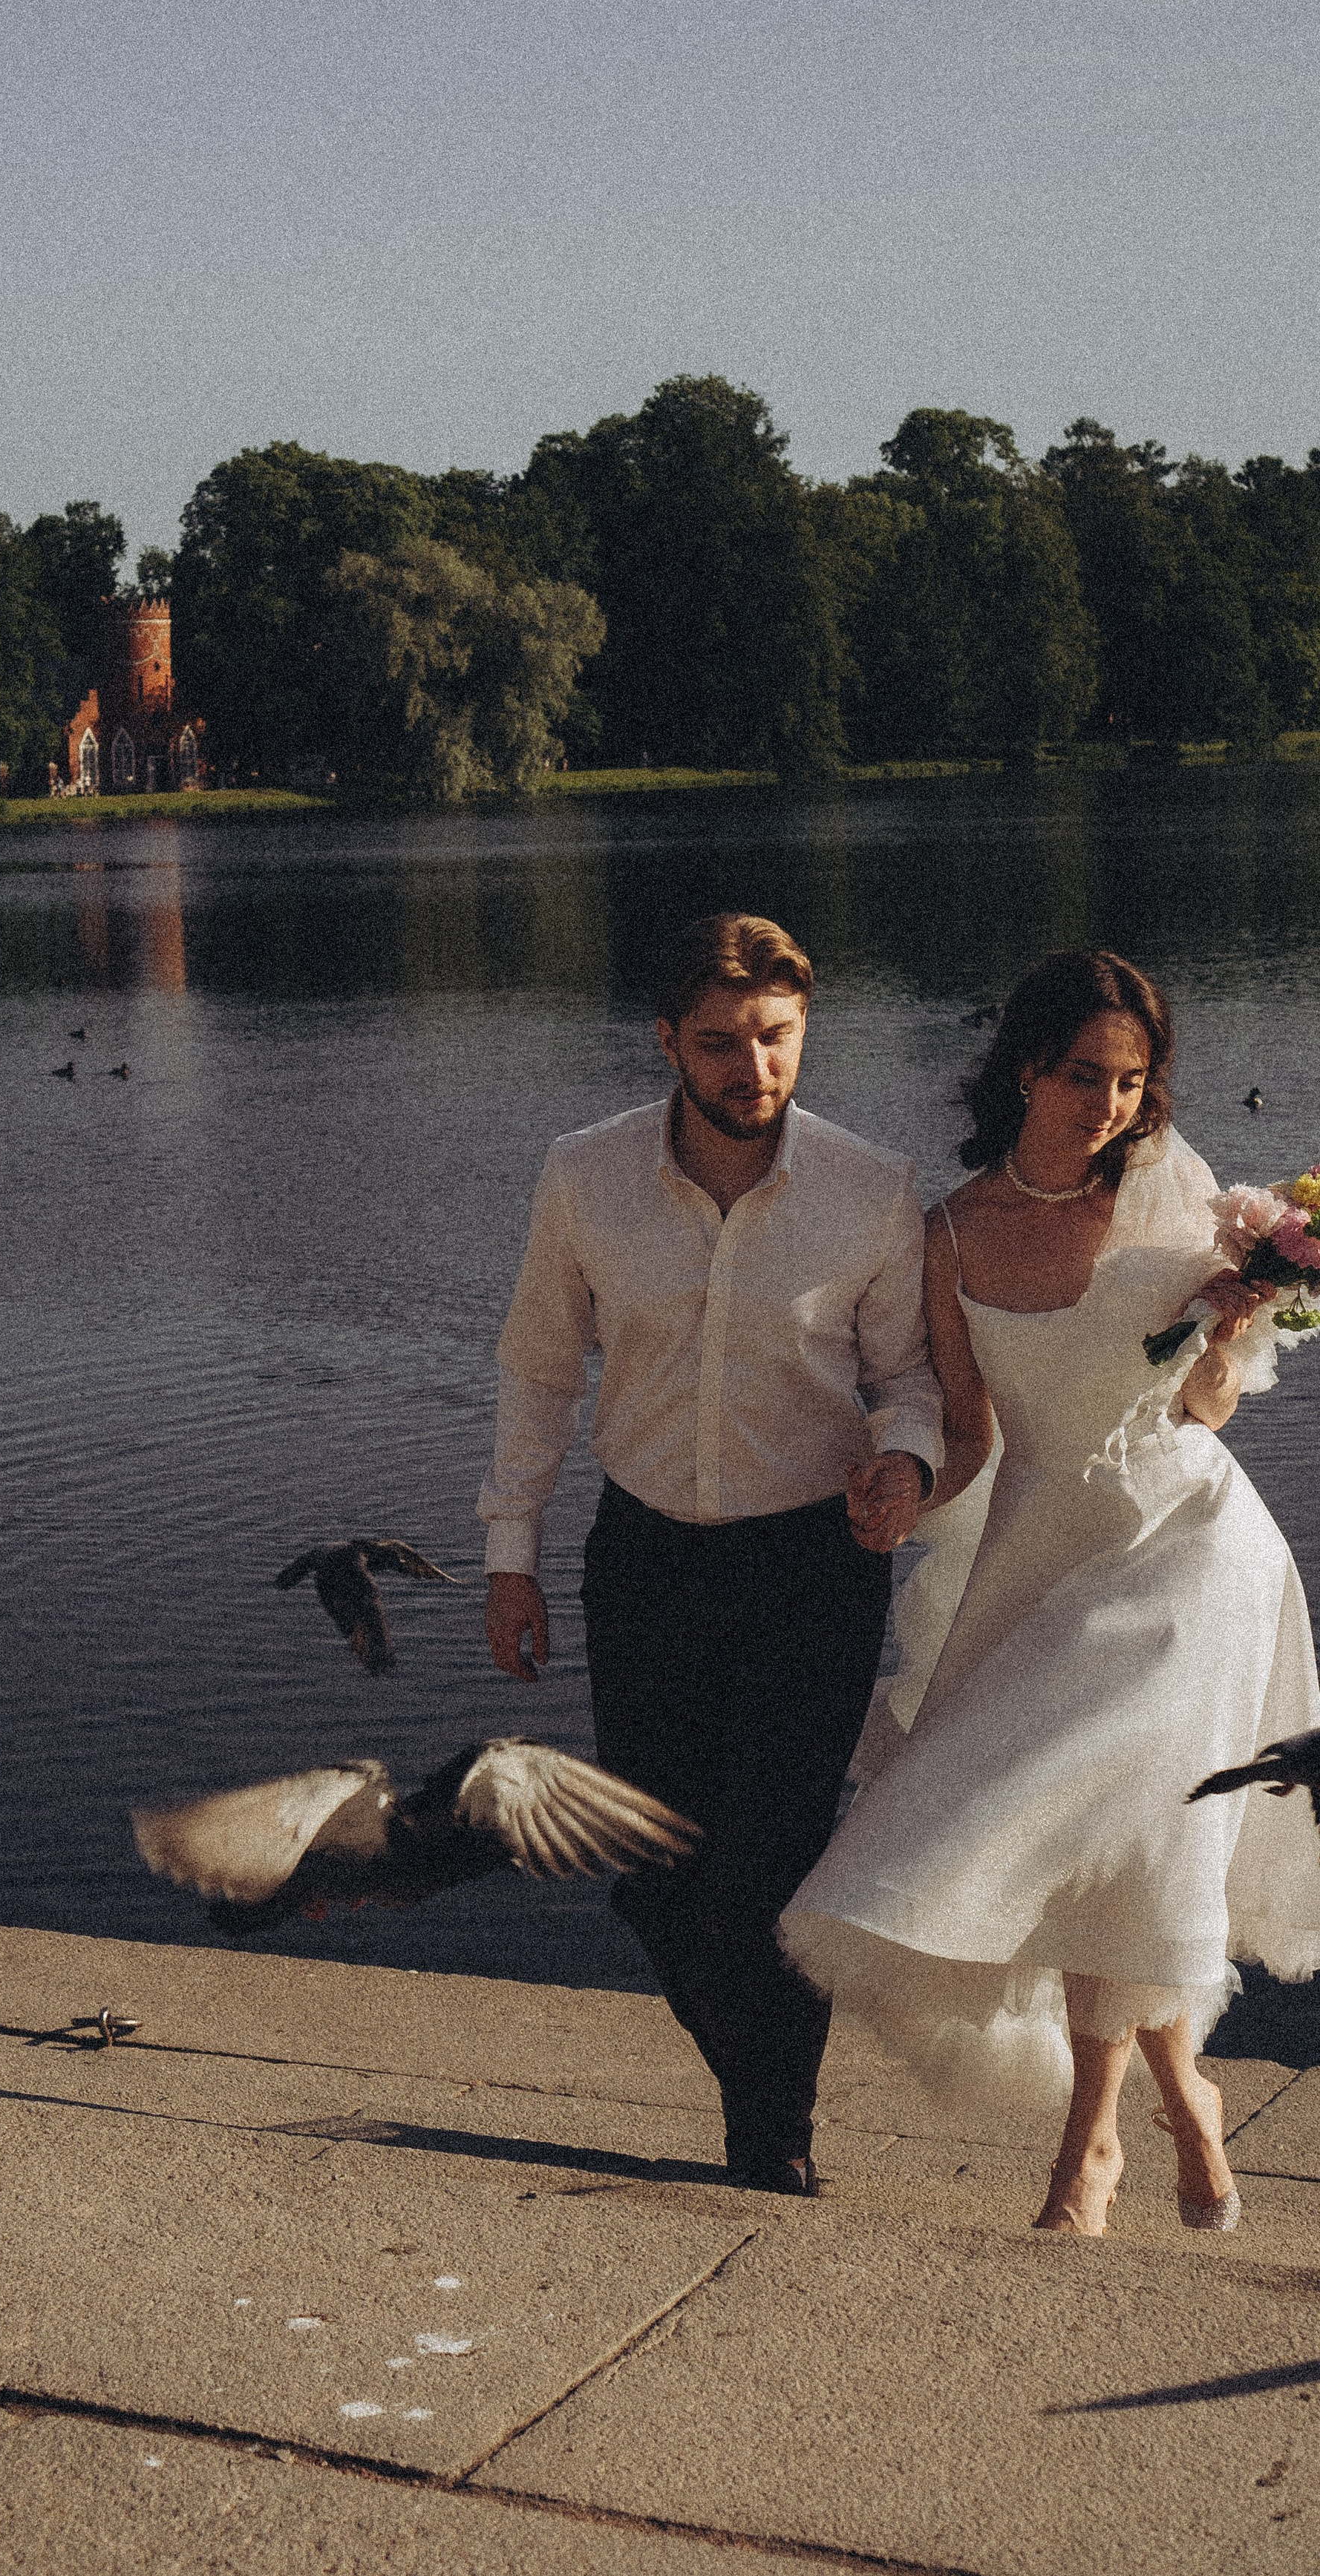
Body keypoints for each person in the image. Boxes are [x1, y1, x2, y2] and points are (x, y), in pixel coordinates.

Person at [780, 949, 1320, 2235]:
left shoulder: (1179, 1198)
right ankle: (1186, 2101)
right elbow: (972, 1435)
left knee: (1149, 1820)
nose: (1113, 1106)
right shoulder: (951, 1232)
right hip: (1045, 1549)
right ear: (1027, 1067)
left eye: (1134, 1082)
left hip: (1193, 1545)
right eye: (1087, 1076)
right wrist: (901, 1489)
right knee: (1104, 1845)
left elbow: (1201, 1407)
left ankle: (1087, 2157)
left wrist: (1234, 1332)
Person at [480, 912, 943, 2194]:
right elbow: (535, 1372)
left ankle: (772, 2137)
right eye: (723, 1044)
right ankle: (769, 2101)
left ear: (807, 1030)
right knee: (654, 1870)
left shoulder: (870, 1189)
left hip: (813, 1567)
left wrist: (903, 1462)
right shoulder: (585, 1176)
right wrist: (508, 1554)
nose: (754, 1070)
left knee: (775, 1872)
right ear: (668, 1043)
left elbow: (907, 1379)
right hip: (646, 1564)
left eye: (778, 1039)